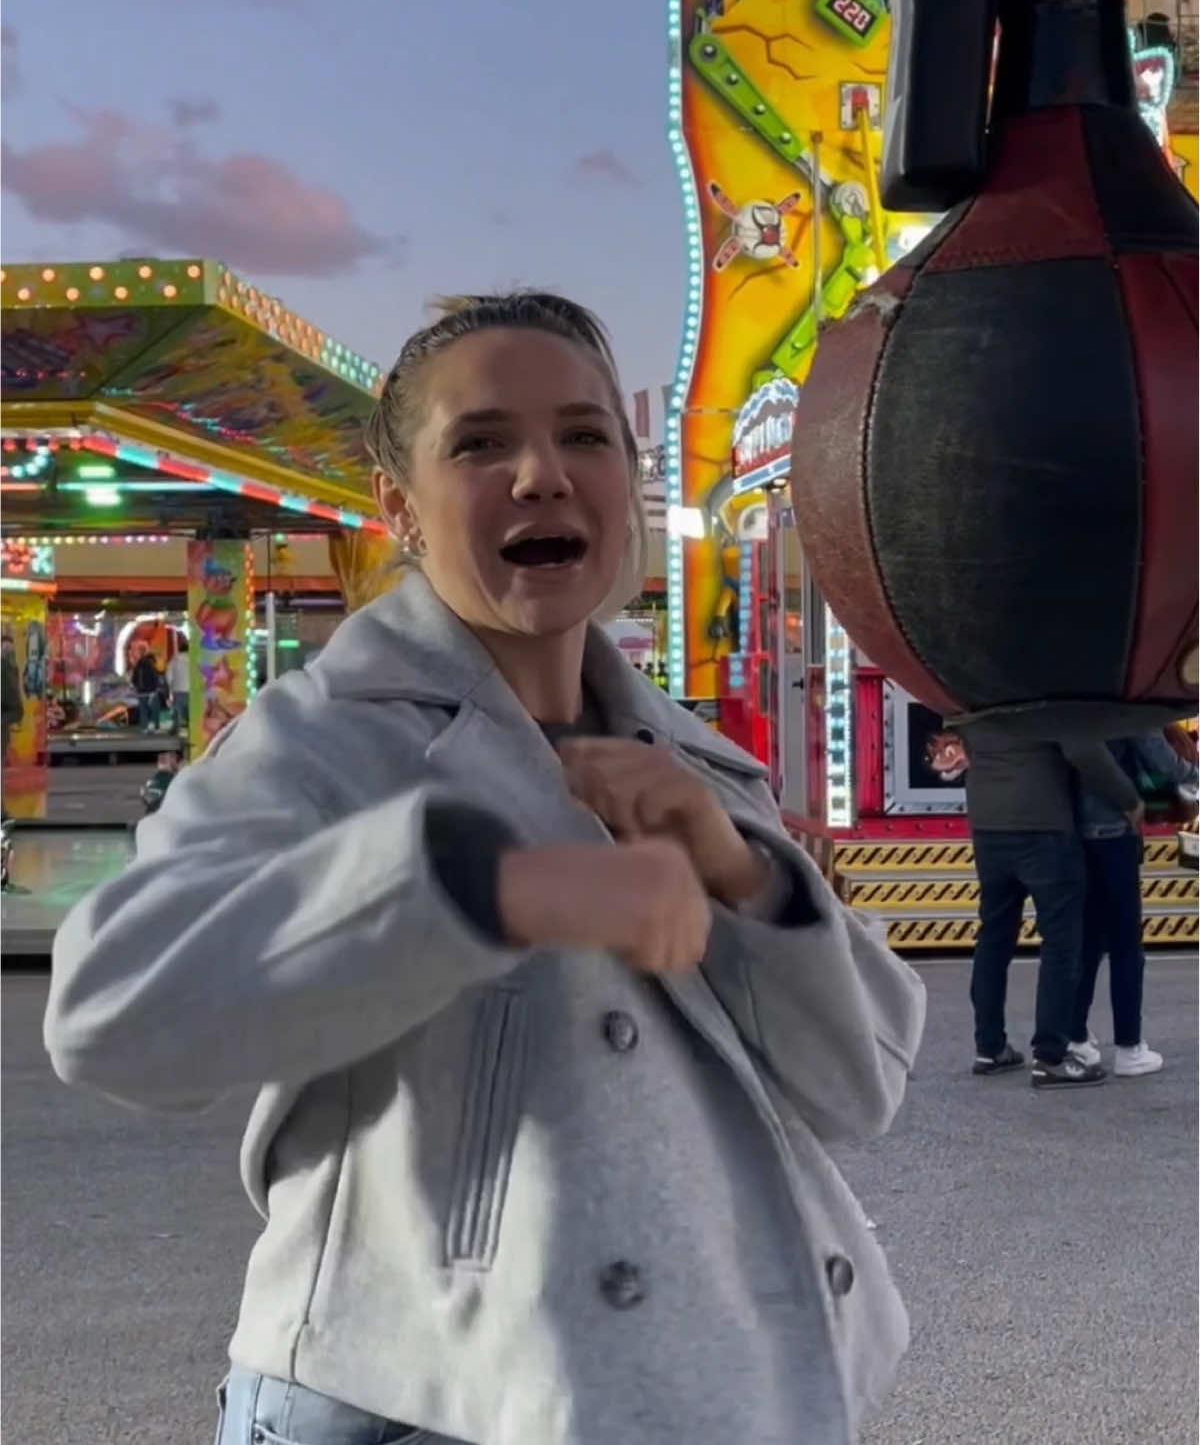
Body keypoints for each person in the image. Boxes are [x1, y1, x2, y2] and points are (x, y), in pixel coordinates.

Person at [45, 290, 926, 1445]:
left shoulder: (697, 764)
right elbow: (109, 1011)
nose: (540, 475)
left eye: (583, 435)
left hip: (695, 1393)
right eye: (481, 443)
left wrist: (744, 884)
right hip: (409, 1401)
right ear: (400, 509)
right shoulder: (325, 742)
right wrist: (483, 889)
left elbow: (859, 1087)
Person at [962, 720, 1142, 1088]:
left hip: (988, 827)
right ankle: (1052, 1056)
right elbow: (1083, 748)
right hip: (1043, 827)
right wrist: (1129, 799)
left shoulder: (974, 693)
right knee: (1062, 943)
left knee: (994, 938)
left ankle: (990, 1048)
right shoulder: (1041, 691)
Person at [1070, 730, 1199, 1078]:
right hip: (1114, 829)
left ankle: (1076, 1036)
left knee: (1089, 940)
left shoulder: (1072, 700)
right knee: (1127, 946)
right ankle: (1129, 1048)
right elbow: (1160, 759)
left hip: (1074, 830)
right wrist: (1193, 773)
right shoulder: (1126, 705)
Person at [1, 630, 23, 765]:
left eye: (10, 648)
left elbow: (14, 688)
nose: (8, 650)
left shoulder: (12, 666)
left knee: (3, 727)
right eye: (5, 647)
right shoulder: (8, 666)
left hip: (11, 706)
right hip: (7, 706)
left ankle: (3, 755)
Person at [130, 646, 163, 733]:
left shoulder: (138, 665)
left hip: (141, 692)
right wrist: (156, 688)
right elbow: (155, 678)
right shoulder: (151, 665)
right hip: (151, 692)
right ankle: (155, 727)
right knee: (155, 709)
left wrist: (137, 688)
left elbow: (133, 679)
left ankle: (144, 727)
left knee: (143, 710)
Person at [166, 640, 190, 737]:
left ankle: (176, 729)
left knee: (177, 711)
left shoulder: (174, 660)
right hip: (191, 689)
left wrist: (170, 685)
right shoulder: (193, 659)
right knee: (190, 711)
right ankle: (192, 729)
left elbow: (168, 675)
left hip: (178, 689)